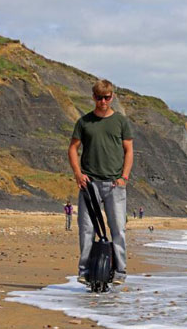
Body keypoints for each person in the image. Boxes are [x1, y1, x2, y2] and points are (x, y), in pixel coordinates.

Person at [68, 79, 134, 286]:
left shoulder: (121, 122)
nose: (103, 101)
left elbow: (129, 150)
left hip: (115, 184)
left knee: (118, 229)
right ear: (93, 97)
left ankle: (120, 272)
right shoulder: (84, 122)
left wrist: (124, 177)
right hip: (89, 184)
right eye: (99, 97)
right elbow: (72, 149)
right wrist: (78, 174)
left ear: (112, 97)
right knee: (86, 229)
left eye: (106, 97)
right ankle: (85, 270)